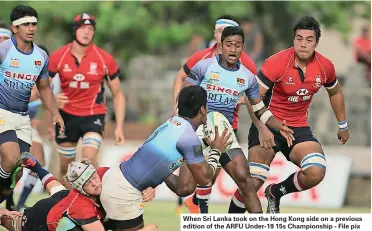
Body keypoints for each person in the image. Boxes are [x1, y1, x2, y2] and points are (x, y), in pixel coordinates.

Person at [227, 16, 350, 214]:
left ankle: (276, 192)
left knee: (316, 170)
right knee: (251, 184)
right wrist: (262, 127)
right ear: (293, 40)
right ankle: (230, 224)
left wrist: (343, 125)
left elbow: (335, 92)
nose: (303, 44)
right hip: (267, 124)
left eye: (309, 40)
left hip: (297, 127)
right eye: (299, 38)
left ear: (316, 43)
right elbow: (252, 96)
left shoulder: (325, 66)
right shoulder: (277, 62)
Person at [183, 26, 294, 214]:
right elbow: (184, 99)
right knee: (184, 187)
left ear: (243, 47)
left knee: (247, 183)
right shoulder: (204, 67)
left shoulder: (248, 78)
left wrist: (276, 125)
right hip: (197, 132)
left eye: (237, 45)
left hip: (224, 135)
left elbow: (259, 108)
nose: (233, 49)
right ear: (221, 46)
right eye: (229, 45)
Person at [98, 85, 233, 230]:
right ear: (202, 109)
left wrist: (157, 176)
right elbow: (205, 179)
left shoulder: (170, 123)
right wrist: (216, 151)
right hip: (125, 193)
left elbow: (184, 189)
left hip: (114, 179)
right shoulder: (189, 138)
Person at [47, 13, 126, 186]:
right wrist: (52, 102)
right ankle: (69, 206)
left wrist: (119, 126)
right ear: (75, 31)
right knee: (66, 168)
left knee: (88, 160)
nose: (87, 32)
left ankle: (95, 206)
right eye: (83, 28)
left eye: (91, 29)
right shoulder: (58, 57)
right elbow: (41, 88)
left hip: (93, 115)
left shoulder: (104, 58)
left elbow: (118, 94)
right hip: (66, 116)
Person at [0, 153, 158, 231]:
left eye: (94, 177)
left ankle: (35, 165)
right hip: (41, 220)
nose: (96, 183)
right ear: (81, 189)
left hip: (62, 200)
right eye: (88, 183)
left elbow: (131, 178)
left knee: (58, 191)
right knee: (10, 222)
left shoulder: (104, 173)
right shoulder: (81, 206)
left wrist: (146, 188)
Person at [0, 5, 64, 191]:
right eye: (26, 24)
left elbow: (44, 88)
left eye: (34, 24)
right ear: (15, 28)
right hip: (2, 112)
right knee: (11, 158)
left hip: (22, 117)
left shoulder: (41, 56)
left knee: (18, 170)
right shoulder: (3, 50)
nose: (31, 28)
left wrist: (55, 113)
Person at [4, 44, 50, 212]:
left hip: (27, 126)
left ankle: (20, 202)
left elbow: (48, 106)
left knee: (37, 162)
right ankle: (9, 201)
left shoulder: (45, 81)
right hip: (9, 122)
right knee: (11, 164)